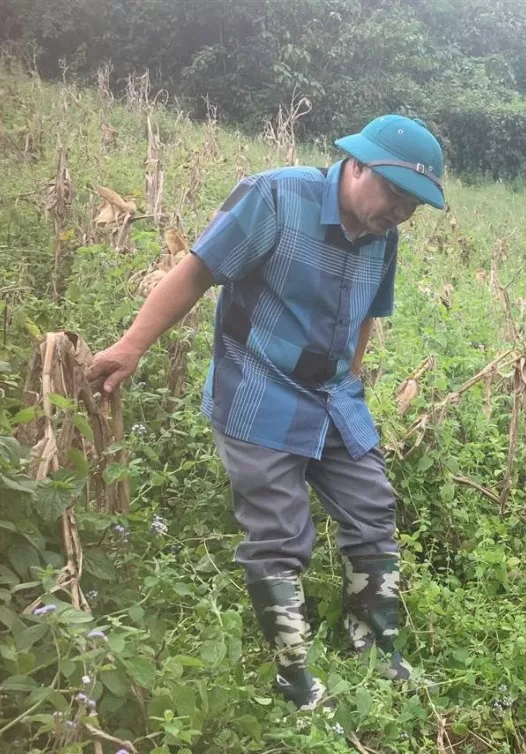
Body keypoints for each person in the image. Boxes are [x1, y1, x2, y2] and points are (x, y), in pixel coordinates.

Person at [88, 115, 446, 710]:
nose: (400, 213)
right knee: (280, 532)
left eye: (413, 205)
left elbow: (366, 316)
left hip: (333, 398)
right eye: (394, 194)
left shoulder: (384, 236)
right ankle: (293, 674)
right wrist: (131, 345)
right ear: (356, 165)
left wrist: (351, 380)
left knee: (373, 507)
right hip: (260, 389)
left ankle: (374, 644)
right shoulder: (277, 195)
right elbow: (196, 272)